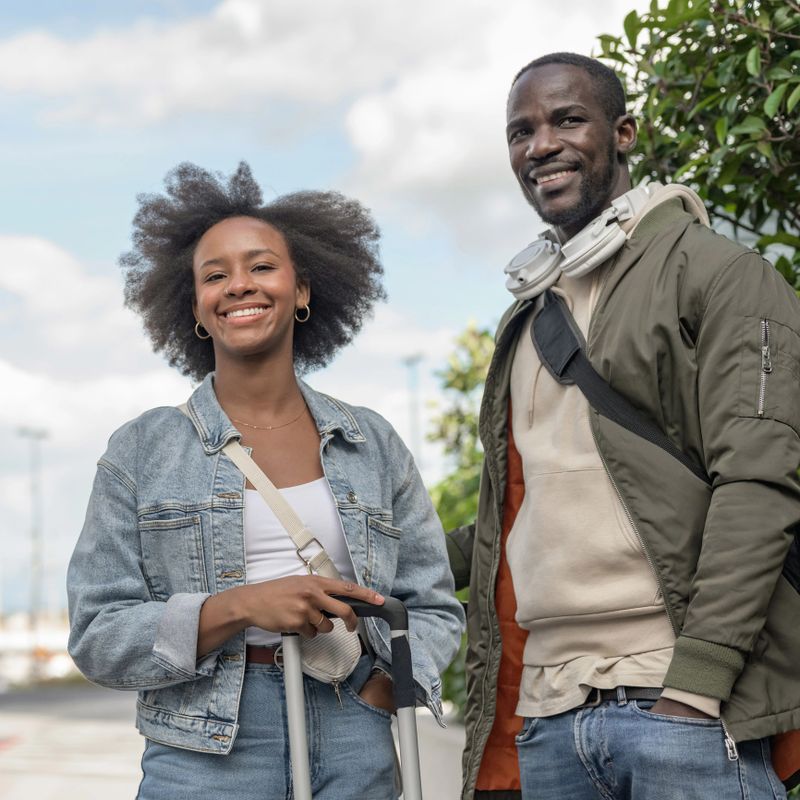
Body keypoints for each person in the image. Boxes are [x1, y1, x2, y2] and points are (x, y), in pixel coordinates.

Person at [447, 52, 800, 799]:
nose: (540, 144)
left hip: (684, 710)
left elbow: (760, 484)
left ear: (624, 133)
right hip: (548, 719)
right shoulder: (529, 317)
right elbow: (513, 514)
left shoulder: (723, 275)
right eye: (520, 131)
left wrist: (695, 691)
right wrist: (372, 555)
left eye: (567, 119)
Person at [67, 162, 464, 800]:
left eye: (261, 267)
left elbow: (432, 603)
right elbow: (97, 632)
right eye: (214, 275)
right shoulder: (142, 450)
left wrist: (383, 685)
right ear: (194, 304)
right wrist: (241, 607)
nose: (238, 286)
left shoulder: (372, 443)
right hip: (205, 747)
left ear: (302, 289)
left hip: (351, 724)